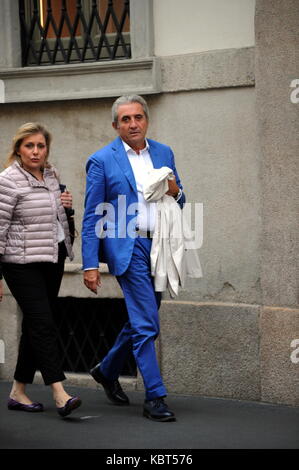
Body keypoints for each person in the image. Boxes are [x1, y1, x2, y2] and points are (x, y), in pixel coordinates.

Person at [82, 95, 185, 422]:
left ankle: (108, 369)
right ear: (116, 125)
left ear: (146, 121)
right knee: (146, 323)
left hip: (160, 246)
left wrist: (175, 191)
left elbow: (181, 198)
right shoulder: (101, 160)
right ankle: (155, 396)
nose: (133, 124)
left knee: (143, 317)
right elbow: (91, 216)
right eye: (125, 119)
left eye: (138, 117)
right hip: (128, 247)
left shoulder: (164, 152)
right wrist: (89, 263)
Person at [0, 123, 81, 418]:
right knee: (43, 324)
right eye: (29, 146)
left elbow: (56, 218)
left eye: (41, 146)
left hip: (52, 257)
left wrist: (66, 208)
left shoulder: (51, 174)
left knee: (36, 325)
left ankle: (18, 392)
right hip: (20, 264)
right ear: (18, 149)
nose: (36, 151)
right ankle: (59, 392)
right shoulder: (8, 181)